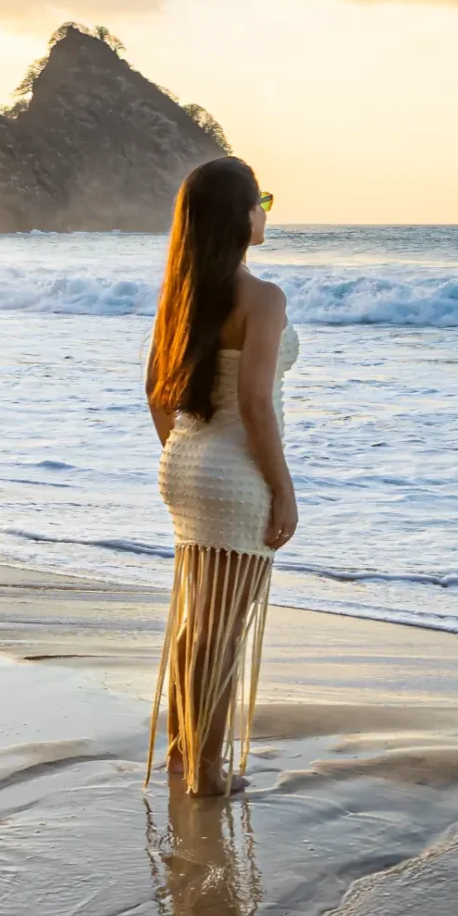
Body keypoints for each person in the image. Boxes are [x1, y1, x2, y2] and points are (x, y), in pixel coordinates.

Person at [145, 157, 297, 798]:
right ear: (238, 215)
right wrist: (283, 490)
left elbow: (157, 394)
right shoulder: (262, 298)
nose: (265, 209)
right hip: (236, 476)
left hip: (185, 466)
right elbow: (258, 404)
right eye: (260, 197)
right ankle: (207, 774)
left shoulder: (182, 293)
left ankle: (184, 756)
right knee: (224, 630)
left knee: (193, 623)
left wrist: (192, 453)